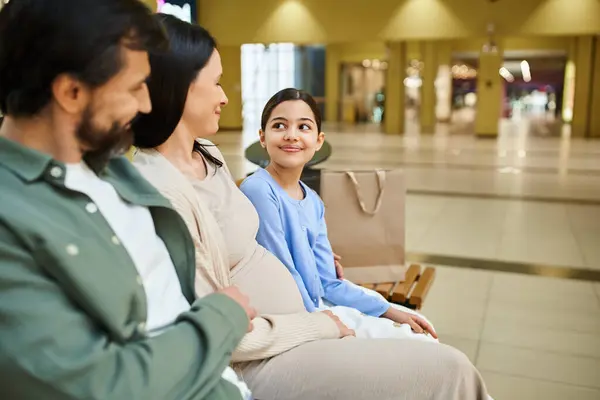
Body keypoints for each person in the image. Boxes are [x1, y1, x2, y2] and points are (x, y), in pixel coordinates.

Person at [131, 15, 490, 400]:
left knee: (435, 355)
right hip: (264, 355)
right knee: (450, 373)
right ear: (178, 86)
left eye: (304, 128)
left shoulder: (207, 155)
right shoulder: (162, 190)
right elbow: (217, 329)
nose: (225, 97)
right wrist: (320, 324)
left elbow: (256, 244)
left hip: (300, 325)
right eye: (216, 83)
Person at [0, 1, 255, 399]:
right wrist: (223, 316)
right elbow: (103, 387)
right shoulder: (12, 216)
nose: (147, 105)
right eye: (135, 87)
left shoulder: (115, 170)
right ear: (71, 91)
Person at [240, 88, 436, 342]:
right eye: (279, 125)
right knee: (416, 342)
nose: (291, 136)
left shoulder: (313, 201)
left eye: (304, 127)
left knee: (416, 327)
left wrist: (388, 311)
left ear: (319, 140)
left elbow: (328, 281)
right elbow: (283, 274)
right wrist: (324, 324)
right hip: (292, 314)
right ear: (262, 137)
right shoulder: (259, 190)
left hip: (319, 301)